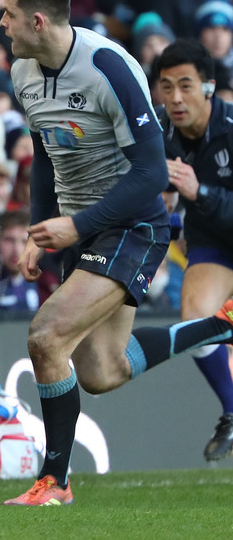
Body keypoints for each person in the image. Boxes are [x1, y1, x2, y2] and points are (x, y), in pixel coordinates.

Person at [0, 0, 233, 506]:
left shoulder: (108, 67)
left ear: (37, 20)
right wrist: (38, 229)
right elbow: (45, 153)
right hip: (78, 228)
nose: (3, 25)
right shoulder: (23, 72)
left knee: (46, 337)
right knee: (102, 371)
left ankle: (55, 482)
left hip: (131, 225)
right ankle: (218, 327)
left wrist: (76, 224)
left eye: (9, 15)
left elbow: (151, 173)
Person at [155, 39, 233, 461]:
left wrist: (198, 192)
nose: (176, 98)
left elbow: (192, 191)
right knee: (195, 318)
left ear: (209, 87)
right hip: (213, 243)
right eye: (167, 87)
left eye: (186, 85)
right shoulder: (157, 130)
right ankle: (231, 412)